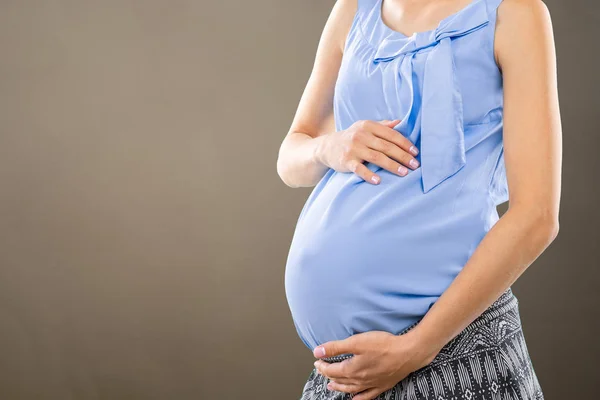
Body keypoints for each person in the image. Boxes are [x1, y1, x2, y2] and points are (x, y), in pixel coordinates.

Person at [276, 0, 561, 398]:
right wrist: (331, 147)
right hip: (341, 378)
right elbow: (290, 159)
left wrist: (417, 347)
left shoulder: (514, 13)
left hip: (453, 352)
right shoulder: (354, 10)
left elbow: (538, 216)